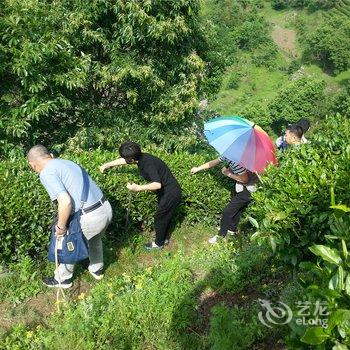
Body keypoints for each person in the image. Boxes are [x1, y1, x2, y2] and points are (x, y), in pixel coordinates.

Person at [27, 145, 112, 289]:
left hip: (90, 216)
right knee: (95, 239)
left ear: (32, 164)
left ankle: (63, 279)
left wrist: (61, 227)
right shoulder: (67, 162)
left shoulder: (46, 173)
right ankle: (96, 269)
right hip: (105, 208)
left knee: (67, 243)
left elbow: (65, 202)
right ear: (51, 155)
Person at [99, 141, 182, 250]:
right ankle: (163, 237)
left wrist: (138, 188)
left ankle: (158, 244)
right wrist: (107, 165)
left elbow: (157, 184)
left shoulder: (147, 164)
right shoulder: (141, 157)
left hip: (170, 192)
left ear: (131, 159)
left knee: (160, 217)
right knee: (165, 215)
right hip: (167, 190)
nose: (125, 160)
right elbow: (124, 161)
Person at [190, 157, 258, 244]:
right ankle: (231, 230)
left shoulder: (236, 162)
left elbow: (245, 180)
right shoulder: (228, 155)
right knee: (237, 210)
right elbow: (213, 162)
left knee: (227, 212)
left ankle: (221, 236)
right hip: (242, 187)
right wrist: (198, 168)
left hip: (249, 189)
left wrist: (228, 173)